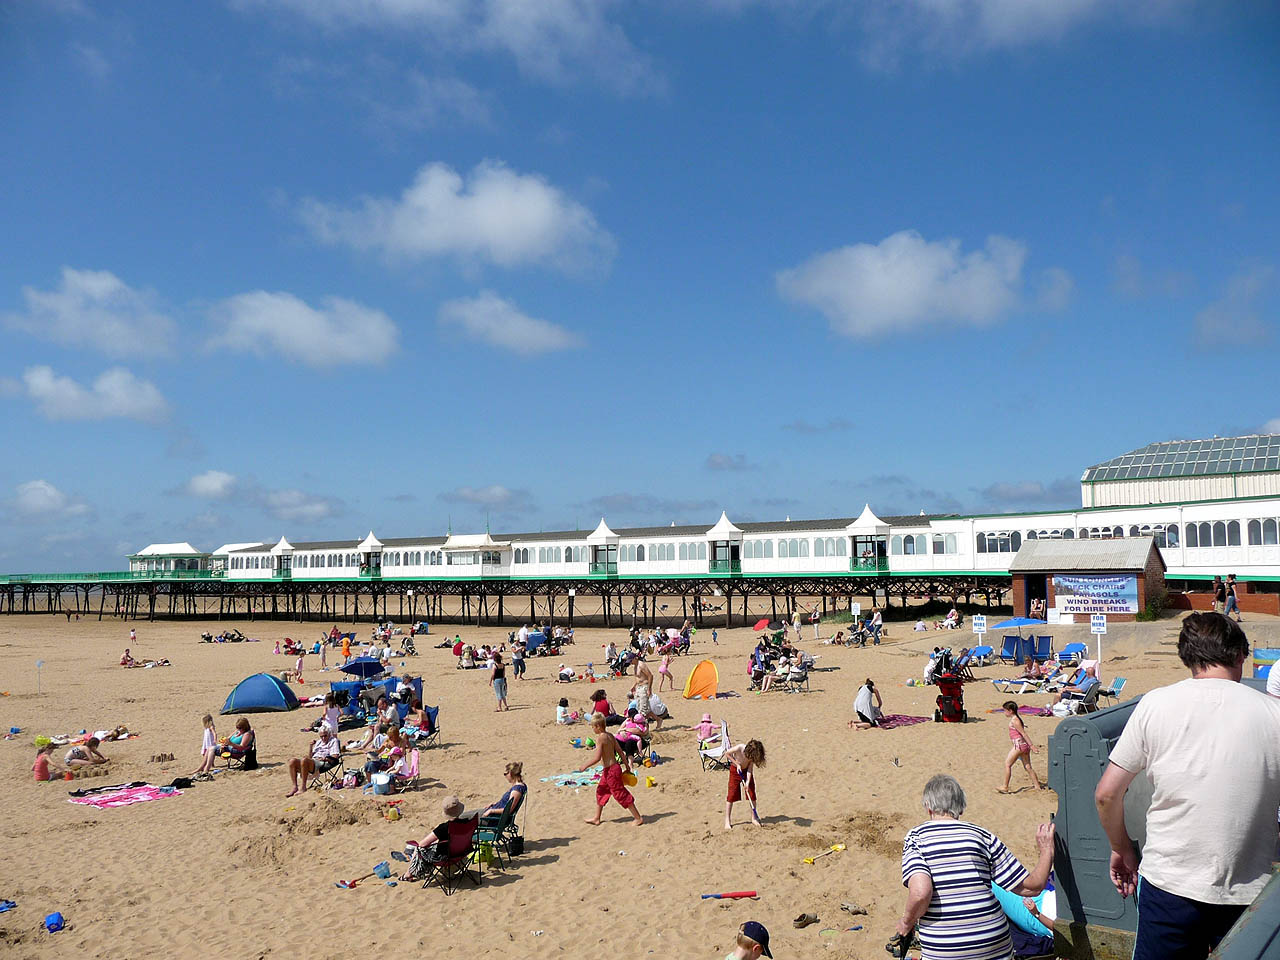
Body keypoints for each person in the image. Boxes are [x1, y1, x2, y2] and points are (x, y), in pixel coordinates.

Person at [1094, 612, 1280, 960]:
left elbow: (1106, 794)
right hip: (1249, 890)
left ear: (1188, 658)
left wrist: (1122, 848)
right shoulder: (1273, 715)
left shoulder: (1156, 704)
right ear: (1240, 655)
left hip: (1169, 884)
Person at [892, 774, 1055, 960]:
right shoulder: (982, 835)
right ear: (960, 808)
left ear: (928, 808)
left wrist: (907, 922)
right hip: (994, 941)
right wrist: (1046, 850)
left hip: (946, 947)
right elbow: (1032, 887)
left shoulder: (916, 837)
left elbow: (921, 893)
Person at [579, 713, 643, 827]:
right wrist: (627, 765)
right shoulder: (610, 735)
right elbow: (619, 751)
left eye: (593, 726)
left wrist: (585, 766)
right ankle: (596, 818)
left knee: (620, 793)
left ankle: (638, 818)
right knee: (601, 790)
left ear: (598, 726)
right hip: (611, 770)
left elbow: (597, 757)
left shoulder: (601, 738)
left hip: (611, 771)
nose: (592, 729)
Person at [402, 795, 471, 880]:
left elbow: (422, 844)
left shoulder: (444, 828)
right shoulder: (467, 823)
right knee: (435, 844)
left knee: (418, 848)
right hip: (462, 853)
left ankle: (408, 874)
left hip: (445, 858)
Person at [998, 701, 1042, 793]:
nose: (1004, 712)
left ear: (1010, 711)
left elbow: (1023, 733)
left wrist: (1032, 746)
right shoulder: (1017, 719)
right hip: (1023, 746)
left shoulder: (1015, 720)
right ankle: (1037, 786)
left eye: (1005, 710)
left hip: (1019, 746)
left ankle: (1005, 786)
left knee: (1007, 764)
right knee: (1028, 767)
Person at [724, 739, 765, 830]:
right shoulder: (739, 748)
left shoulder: (752, 757)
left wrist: (747, 782)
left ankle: (753, 818)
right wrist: (736, 764)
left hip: (746, 772)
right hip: (735, 771)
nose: (750, 759)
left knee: (752, 794)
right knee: (731, 795)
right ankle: (727, 820)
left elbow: (750, 770)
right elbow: (726, 753)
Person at [287, 726, 341, 795]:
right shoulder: (319, 742)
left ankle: (303, 787)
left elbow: (335, 756)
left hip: (323, 762)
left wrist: (325, 758)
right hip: (313, 761)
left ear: (329, 734)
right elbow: (310, 757)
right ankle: (295, 787)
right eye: (321, 736)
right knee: (292, 761)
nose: (323, 738)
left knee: (304, 760)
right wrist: (311, 747)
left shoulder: (333, 741)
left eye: (325, 736)